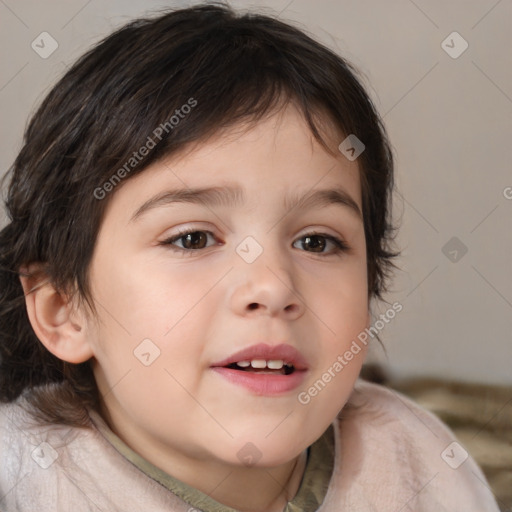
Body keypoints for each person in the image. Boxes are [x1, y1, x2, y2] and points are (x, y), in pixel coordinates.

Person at [0, 3, 500, 511]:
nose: (272, 287)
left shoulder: (412, 458)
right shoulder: (26, 482)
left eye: (316, 241)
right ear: (62, 308)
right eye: (193, 238)